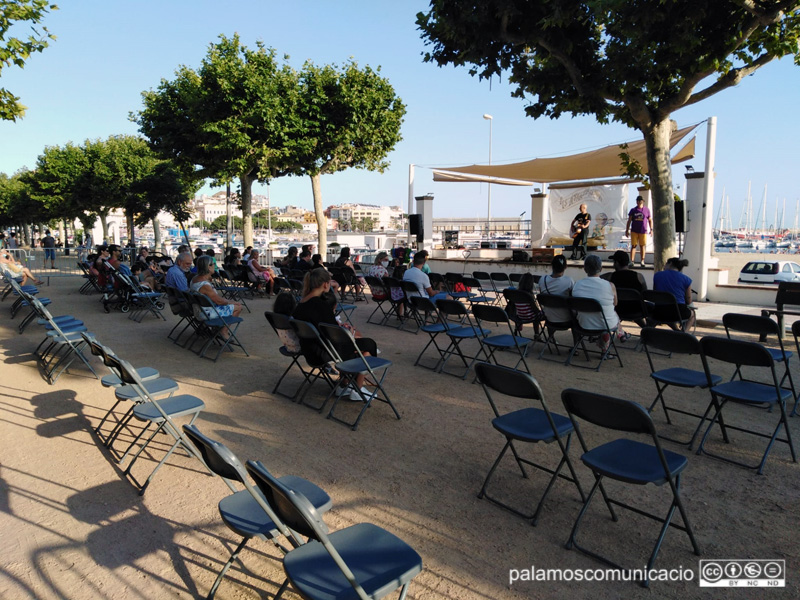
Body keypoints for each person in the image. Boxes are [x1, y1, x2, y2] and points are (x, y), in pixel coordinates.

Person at [292, 268, 378, 401]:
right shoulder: (321, 305)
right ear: (325, 284)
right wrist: (350, 334)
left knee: (356, 346)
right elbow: (334, 335)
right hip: (325, 352)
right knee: (368, 345)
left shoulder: (300, 305)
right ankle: (357, 388)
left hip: (310, 350)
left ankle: (344, 385)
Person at [572, 254, 627, 350]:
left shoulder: (577, 285)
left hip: (583, 324)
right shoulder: (610, 285)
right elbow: (615, 303)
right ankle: (615, 339)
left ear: (585, 269)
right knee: (611, 313)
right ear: (601, 269)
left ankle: (620, 334)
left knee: (605, 313)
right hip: (605, 325)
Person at [190, 256, 242, 336]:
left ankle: (217, 330)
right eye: (213, 264)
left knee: (232, 304)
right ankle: (223, 332)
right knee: (238, 307)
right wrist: (232, 302)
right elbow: (219, 301)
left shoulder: (194, 279)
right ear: (208, 267)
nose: (215, 265)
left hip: (198, 310)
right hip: (206, 313)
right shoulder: (205, 285)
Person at [653, 256, 696, 332]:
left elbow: (655, 292)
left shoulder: (657, 275)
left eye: (666, 263)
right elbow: (689, 300)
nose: (664, 265)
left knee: (667, 316)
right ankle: (684, 333)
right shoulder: (686, 279)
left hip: (659, 311)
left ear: (670, 263)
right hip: (678, 312)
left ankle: (676, 330)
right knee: (692, 315)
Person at [538, 254, 574, 324]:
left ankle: (550, 335)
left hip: (548, 317)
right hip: (566, 318)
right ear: (565, 267)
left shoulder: (543, 279)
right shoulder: (569, 281)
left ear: (552, 266)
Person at [625, 196, 653, 267]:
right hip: (634, 230)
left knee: (642, 246)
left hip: (643, 231)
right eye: (637, 201)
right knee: (633, 245)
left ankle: (642, 261)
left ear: (643, 201)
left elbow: (650, 220)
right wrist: (627, 230)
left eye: (640, 201)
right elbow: (629, 220)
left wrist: (651, 229)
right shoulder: (633, 210)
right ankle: (632, 261)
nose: (639, 202)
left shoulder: (646, 210)